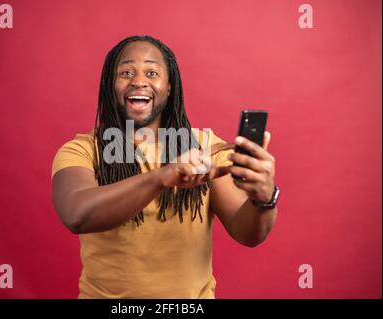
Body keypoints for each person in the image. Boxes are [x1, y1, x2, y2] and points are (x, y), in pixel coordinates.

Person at [51, 35, 279, 299]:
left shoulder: (204, 148)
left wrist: (264, 199)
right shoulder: (82, 151)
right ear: (109, 85)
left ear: (169, 87)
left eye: (152, 72)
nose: (138, 81)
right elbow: (77, 214)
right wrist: (161, 177)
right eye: (125, 72)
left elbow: (248, 234)